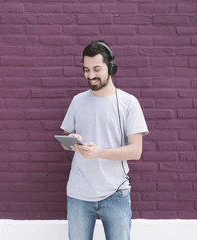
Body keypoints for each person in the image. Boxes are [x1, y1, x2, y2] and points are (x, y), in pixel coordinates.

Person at [59, 40, 149, 240]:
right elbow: (65, 138)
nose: (90, 75)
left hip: (115, 193)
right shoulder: (77, 101)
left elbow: (135, 151)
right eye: (86, 69)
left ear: (111, 67)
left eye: (97, 69)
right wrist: (70, 139)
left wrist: (98, 153)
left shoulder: (128, 103)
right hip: (79, 193)